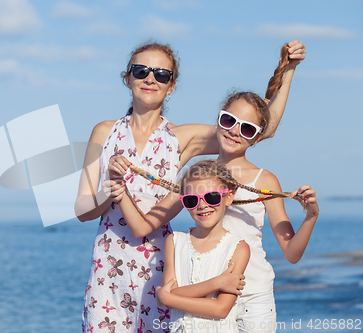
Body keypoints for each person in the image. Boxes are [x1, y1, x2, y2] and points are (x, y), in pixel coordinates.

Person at [75, 40, 306, 333]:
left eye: (161, 74)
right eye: (141, 70)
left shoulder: (180, 137)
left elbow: (257, 128)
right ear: (127, 77)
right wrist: (110, 188)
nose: (150, 78)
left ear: (171, 86)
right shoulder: (104, 131)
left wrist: (287, 72)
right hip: (109, 265)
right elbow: (82, 210)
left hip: (162, 266)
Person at [155, 160, 250, 333]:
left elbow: (220, 309)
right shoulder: (175, 241)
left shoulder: (238, 248)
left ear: (228, 197)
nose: (202, 205)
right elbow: (165, 297)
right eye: (191, 200)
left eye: (211, 197)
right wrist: (217, 283)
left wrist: (166, 297)